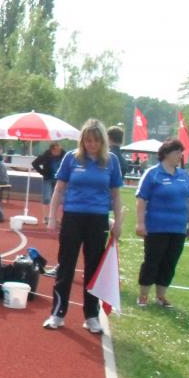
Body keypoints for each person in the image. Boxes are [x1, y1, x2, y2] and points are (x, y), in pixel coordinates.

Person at [43, 119, 124, 334]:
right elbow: (59, 189)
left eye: (96, 141)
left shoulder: (111, 161)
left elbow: (116, 195)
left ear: (102, 141)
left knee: (93, 268)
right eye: (88, 141)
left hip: (98, 219)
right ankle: (57, 313)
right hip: (73, 217)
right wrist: (52, 217)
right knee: (66, 266)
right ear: (82, 141)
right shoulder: (71, 158)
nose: (91, 145)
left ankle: (91, 316)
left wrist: (118, 222)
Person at [135, 139, 189, 308]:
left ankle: (161, 296)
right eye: (177, 152)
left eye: (181, 153)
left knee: (170, 262)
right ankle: (143, 295)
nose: (180, 156)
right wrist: (140, 223)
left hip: (178, 228)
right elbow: (141, 199)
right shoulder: (152, 174)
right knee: (152, 261)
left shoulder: (184, 175)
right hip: (156, 227)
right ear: (166, 153)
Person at [31, 142, 66, 225]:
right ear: (52, 150)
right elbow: (34, 163)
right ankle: (46, 217)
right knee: (46, 198)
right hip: (48, 179)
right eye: (56, 150)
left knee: (57, 199)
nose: (59, 151)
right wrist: (42, 172)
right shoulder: (45, 155)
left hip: (58, 180)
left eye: (59, 149)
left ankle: (54, 217)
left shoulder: (64, 155)